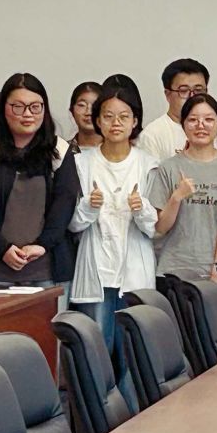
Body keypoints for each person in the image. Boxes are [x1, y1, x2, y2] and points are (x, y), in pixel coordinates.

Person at [0, 73, 78, 287]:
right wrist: (2, 248)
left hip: (46, 271)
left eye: (35, 107)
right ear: (3, 108)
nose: (27, 114)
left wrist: (42, 244)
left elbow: (65, 202)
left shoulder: (59, 151)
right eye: (18, 107)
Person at [69, 82, 159, 356]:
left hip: (135, 268)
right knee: (97, 349)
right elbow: (71, 225)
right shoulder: (81, 163)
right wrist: (88, 207)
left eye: (123, 116)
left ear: (135, 121)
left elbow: (155, 228)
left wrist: (142, 209)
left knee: (135, 351)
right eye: (108, 116)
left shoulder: (149, 164)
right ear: (97, 121)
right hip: (96, 266)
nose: (116, 123)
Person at [151, 93, 217, 282]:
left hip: (215, 271)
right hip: (173, 270)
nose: (200, 125)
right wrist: (177, 197)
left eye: (209, 120)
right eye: (193, 120)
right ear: (183, 125)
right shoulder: (169, 167)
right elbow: (160, 227)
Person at [139, 59, 210, 161]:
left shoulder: (213, 130)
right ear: (167, 94)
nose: (192, 97)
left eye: (198, 90)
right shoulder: (152, 135)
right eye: (184, 90)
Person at [68, 81, 103, 151]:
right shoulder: (60, 152)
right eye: (82, 105)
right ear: (72, 111)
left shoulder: (119, 150)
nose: (89, 112)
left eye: (95, 105)